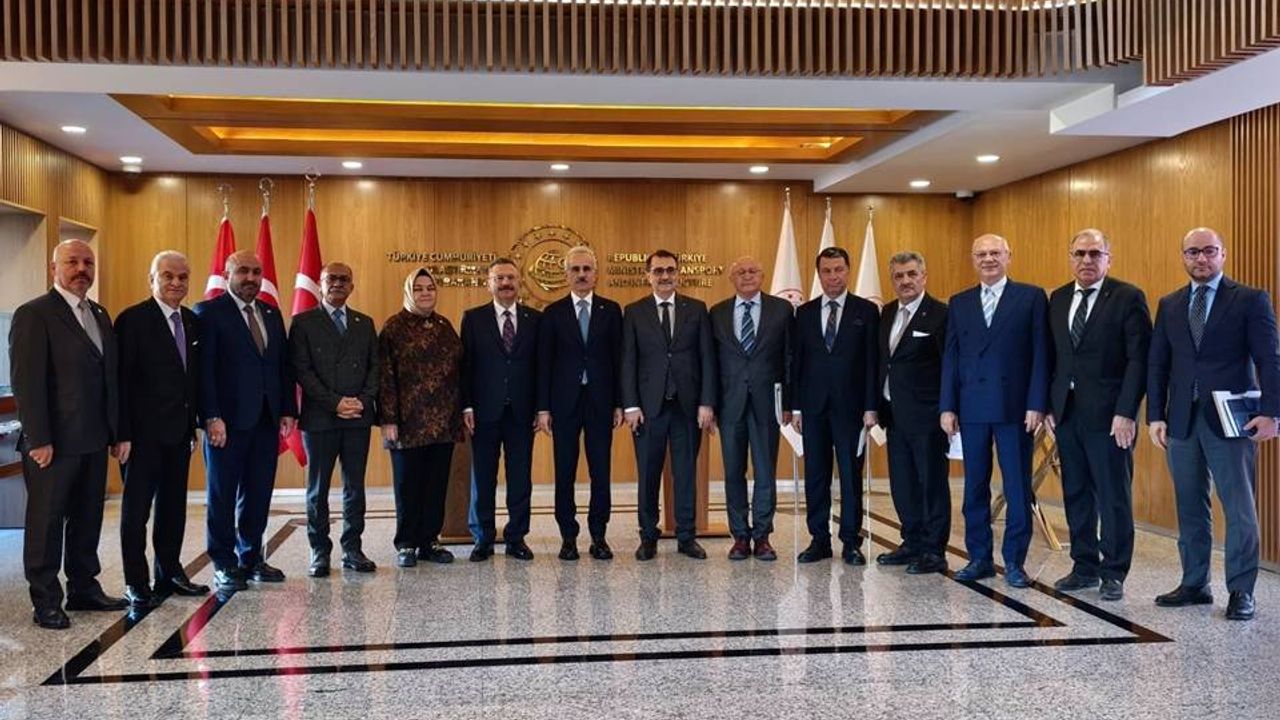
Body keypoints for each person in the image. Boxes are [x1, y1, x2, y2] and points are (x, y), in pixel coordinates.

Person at [1148, 227, 1280, 621]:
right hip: (1181, 421)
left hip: (1231, 420)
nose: (1201, 258)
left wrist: (1272, 413)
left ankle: (1241, 590)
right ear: (1183, 256)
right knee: (1190, 505)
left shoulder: (1250, 299)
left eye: (1209, 251)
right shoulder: (1170, 304)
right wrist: (1155, 415)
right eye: (1193, 252)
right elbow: (1158, 364)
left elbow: (1270, 358)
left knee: (1239, 507)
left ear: (1222, 254)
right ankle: (1194, 583)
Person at [11, 239, 127, 629]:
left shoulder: (99, 313)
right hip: (53, 444)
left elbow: (109, 378)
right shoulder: (34, 314)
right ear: (53, 268)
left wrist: (117, 432)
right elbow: (26, 382)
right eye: (72, 262)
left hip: (94, 439)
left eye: (88, 262)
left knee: (87, 518)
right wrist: (38, 438)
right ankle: (45, 601)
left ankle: (83, 588)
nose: (81, 269)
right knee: (46, 524)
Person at [940, 233, 1050, 588]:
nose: (988, 259)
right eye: (981, 254)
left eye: (995, 253)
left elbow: (1041, 354)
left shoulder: (1031, 297)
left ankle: (1015, 562)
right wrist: (947, 406)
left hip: (1015, 409)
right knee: (974, 487)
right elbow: (951, 357)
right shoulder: (959, 302)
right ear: (973, 260)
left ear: (1008, 256)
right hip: (971, 408)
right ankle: (979, 558)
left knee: (1017, 487)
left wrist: (1037, 403)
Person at [1046, 230, 1150, 601]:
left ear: (1108, 258)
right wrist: (1049, 404)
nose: (1086, 260)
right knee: (1076, 492)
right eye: (1080, 254)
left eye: (1094, 253)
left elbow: (1139, 360)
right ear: (1070, 257)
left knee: (1112, 495)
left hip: (1111, 418)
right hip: (1067, 413)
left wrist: (1126, 412)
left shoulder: (1127, 297)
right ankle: (1084, 566)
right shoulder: (1058, 298)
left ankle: (1114, 571)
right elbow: (1053, 357)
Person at [194, 250, 297, 592]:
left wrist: (287, 410)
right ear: (227, 275)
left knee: (258, 492)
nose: (250, 278)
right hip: (225, 423)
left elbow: (281, 366)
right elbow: (204, 372)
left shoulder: (270, 312)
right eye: (242, 271)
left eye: (256, 272)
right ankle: (223, 562)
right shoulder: (209, 313)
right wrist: (211, 416)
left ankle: (251, 557)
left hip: (266, 420)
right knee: (222, 494)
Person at [115, 250, 209, 608]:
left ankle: (169, 573)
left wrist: (194, 425)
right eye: (167, 276)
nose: (176, 282)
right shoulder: (132, 320)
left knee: (173, 509)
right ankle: (136, 582)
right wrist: (121, 434)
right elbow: (121, 382)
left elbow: (192, 380)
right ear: (151, 279)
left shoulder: (192, 321)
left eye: (182, 277)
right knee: (135, 513)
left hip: (179, 435)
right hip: (140, 438)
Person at [621, 249, 716, 561]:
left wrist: (706, 402)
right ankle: (648, 536)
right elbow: (628, 361)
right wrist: (631, 405)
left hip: (687, 408)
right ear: (648, 275)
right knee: (648, 474)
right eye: (658, 271)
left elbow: (707, 358)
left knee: (685, 474)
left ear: (678, 274)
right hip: (648, 410)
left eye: (670, 270)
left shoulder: (697, 309)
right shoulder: (634, 311)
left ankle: (686, 537)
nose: (665, 276)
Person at [790, 247, 880, 565]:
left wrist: (871, 406)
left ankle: (851, 542)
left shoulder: (866, 311)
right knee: (816, 475)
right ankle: (819, 540)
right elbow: (796, 363)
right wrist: (796, 407)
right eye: (826, 271)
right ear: (819, 274)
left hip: (852, 410)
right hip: (813, 409)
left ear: (848, 270)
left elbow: (873, 363)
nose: (833, 276)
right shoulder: (804, 313)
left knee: (850, 476)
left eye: (838, 269)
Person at [289, 262, 379, 577]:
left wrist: (362, 402)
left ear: (352, 286)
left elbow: (375, 368)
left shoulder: (364, 323)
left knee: (355, 487)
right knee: (318, 489)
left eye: (344, 279)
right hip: (320, 419)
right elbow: (302, 371)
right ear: (320, 283)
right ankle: (319, 552)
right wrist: (335, 403)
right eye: (331, 279)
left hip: (357, 417)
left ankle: (352, 549)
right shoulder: (303, 323)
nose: (337, 284)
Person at [536, 246, 623, 561]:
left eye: (587, 269)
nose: (582, 274)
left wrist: (619, 403)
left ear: (596, 274)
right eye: (575, 269)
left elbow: (619, 360)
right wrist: (543, 408)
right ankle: (568, 537)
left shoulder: (611, 310)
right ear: (566, 274)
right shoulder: (552, 313)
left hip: (601, 402)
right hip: (564, 404)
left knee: (601, 471)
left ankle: (599, 536)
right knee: (565, 471)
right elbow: (544, 364)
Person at [379, 268, 464, 568]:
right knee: (408, 486)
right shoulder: (394, 327)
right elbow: (385, 376)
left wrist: (462, 411)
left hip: (443, 423)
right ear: (408, 292)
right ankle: (406, 543)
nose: (425, 293)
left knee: (435, 485)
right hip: (407, 425)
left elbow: (459, 371)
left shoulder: (444, 326)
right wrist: (388, 419)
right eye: (419, 288)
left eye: (430, 288)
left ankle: (429, 541)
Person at [710, 256, 792, 561]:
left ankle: (762, 536)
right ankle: (740, 537)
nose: (747, 276)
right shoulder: (717, 312)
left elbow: (789, 358)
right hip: (729, 405)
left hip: (767, 404)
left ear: (762, 275)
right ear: (732, 278)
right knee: (733, 472)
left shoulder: (782, 310)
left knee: (765, 471)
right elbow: (711, 363)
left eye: (752, 271)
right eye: (740, 272)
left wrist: (789, 403)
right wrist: (711, 404)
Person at [461, 258, 542, 561]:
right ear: (489, 284)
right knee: (483, 478)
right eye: (499, 278)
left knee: (520, 478)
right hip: (484, 411)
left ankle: (516, 537)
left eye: (511, 278)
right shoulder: (473, 318)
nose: (506, 283)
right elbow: (466, 366)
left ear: (519, 282)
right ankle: (482, 538)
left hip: (522, 412)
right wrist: (467, 405)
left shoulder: (535, 319)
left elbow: (541, 367)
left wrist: (541, 408)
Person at [875, 251, 950, 575]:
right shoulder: (887, 312)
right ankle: (912, 542)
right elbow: (884, 361)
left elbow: (949, 366)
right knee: (903, 483)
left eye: (911, 274)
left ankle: (934, 550)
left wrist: (948, 409)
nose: (905, 281)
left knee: (931, 483)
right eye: (898, 276)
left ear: (924, 276)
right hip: (894, 414)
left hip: (928, 415)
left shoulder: (941, 314)